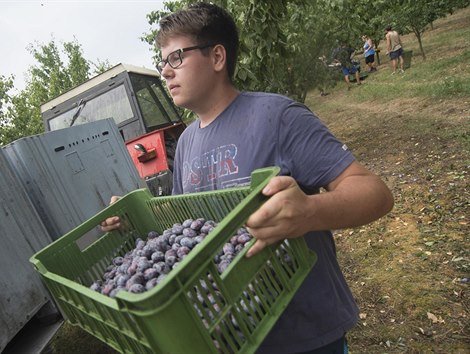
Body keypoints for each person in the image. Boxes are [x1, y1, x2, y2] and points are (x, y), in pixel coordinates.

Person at [102, 3, 394, 353]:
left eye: (176, 57)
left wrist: (311, 211)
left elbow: (375, 192)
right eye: (162, 60)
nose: (165, 71)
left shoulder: (277, 116)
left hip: (305, 333)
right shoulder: (186, 143)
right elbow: (184, 230)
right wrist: (133, 222)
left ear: (217, 57)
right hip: (233, 334)